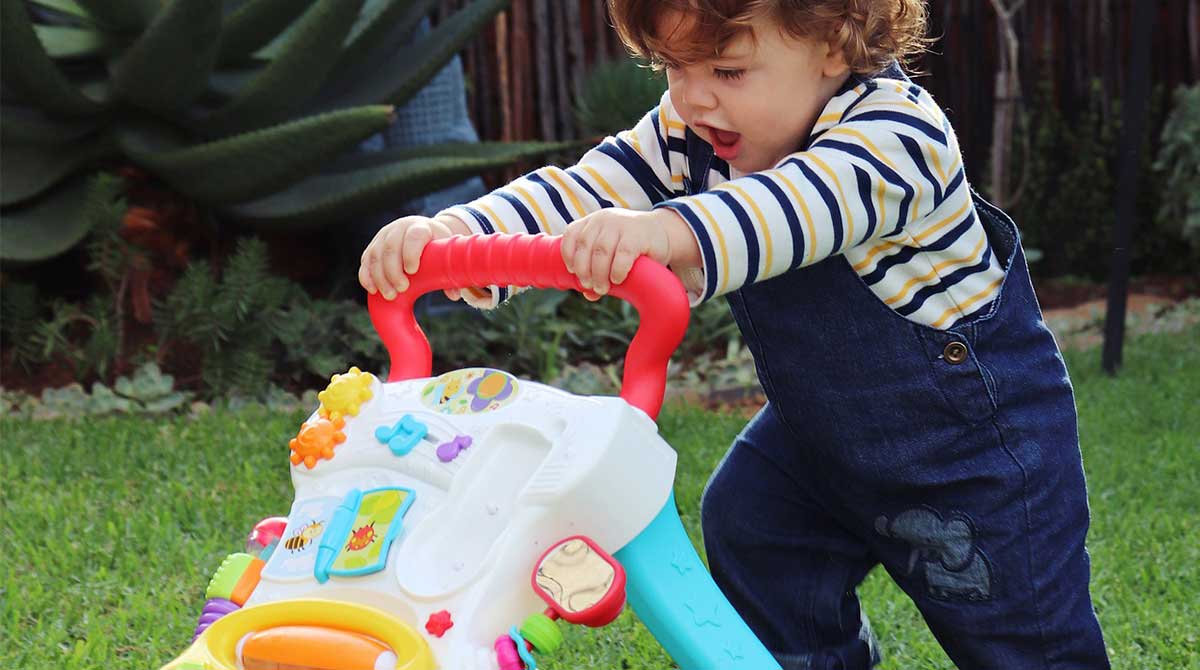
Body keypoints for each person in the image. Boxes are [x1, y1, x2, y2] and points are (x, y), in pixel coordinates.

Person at [359, 1, 1110, 667]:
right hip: (817, 435)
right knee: (750, 524)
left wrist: (666, 231)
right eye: (671, 67)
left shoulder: (898, 136)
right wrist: (460, 230)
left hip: (971, 452)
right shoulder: (693, 132)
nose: (690, 95)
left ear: (835, 43)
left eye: (725, 67)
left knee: (1021, 639)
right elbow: (585, 188)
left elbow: (790, 209)